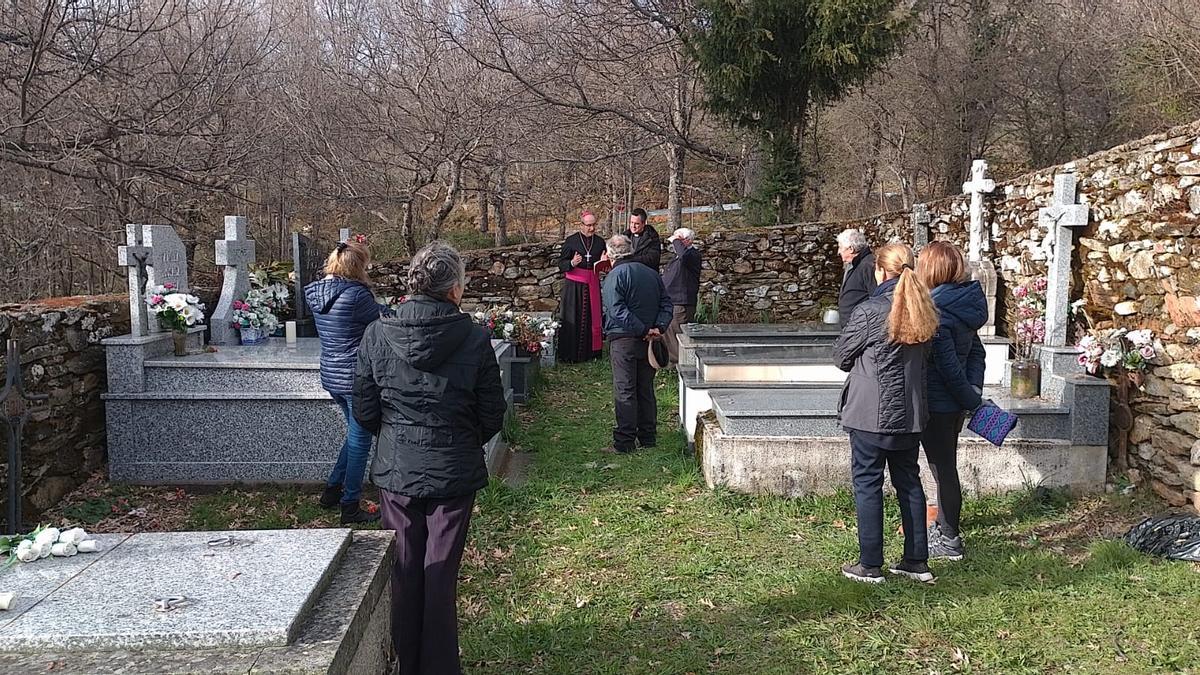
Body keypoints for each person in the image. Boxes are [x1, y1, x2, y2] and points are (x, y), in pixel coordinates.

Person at [353, 241, 507, 675]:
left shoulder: (377, 333)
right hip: (450, 467)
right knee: (438, 574)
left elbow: (364, 410)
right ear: (454, 289)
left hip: (400, 467)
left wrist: (399, 439)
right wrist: (458, 438)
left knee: (406, 569)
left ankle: (406, 662)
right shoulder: (474, 338)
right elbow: (491, 414)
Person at [833, 243, 940, 584]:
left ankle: (870, 564)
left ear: (880, 271)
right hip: (910, 413)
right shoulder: (925, 307)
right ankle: (916, 560)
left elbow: (841, 356)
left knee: (868, 483)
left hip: (870, 414)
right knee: (909, 481)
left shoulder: (869, 311)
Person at [304, 238, 385, 524]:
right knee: (360, 442)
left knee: (353, 435)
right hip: (355, 378)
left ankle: (331, 491)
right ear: (357, 266)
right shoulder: (356, 296)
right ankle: (350, 505)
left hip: (331, 374)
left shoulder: (315, 294)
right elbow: (383, 319)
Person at [916, 241, 987, 562]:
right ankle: (946, 529)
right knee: (943, 468)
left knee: (943, 470)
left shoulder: (939, 312)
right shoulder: (964, 303)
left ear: (930, 270)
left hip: (940, 404)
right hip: (952, 404)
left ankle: (949, 540)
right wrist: (973, 391)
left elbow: (948, 371)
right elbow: (977, 354)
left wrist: (970, 398)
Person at [602, 234, 672, 453]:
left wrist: (643, 328)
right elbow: (666, 304)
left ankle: (625, 441)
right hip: (649, 339)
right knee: (645, 388)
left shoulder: (616, 275)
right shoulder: (651, 273)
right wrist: (657, 328)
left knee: (625, 389)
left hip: (625, 339)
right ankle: (648, 437)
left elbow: (616, 310)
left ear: (611, 254)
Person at [557, 210, 608, 363]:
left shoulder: (599, 242)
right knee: (573, 317)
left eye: (594, 225)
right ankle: (570, 354)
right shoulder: (571, 241)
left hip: (591, 284)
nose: (591, 229)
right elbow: (561, 264)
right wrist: (572, 263)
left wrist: (604, 261)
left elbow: (604, 266)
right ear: (581, 225)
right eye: (588, 225)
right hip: (574, 286)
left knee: (592, 319)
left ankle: (591, 354)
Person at [662, 227, 702, 365]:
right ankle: (673, 363)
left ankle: (681, 364)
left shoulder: (692, 255)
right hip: (672, 301)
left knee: (678, 334)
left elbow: (684, 256)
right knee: (670, 333)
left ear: (687, 241)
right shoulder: (679, 256)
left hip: (681, 304)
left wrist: (677, 240)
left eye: (678, 240)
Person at [836, 228, 876, 328]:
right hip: (854, 328)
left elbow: (876, 300)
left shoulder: (868, 265)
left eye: (840, 247)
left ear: (851, 249)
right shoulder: (855, 265)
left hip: (861, 329)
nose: (838, 252)